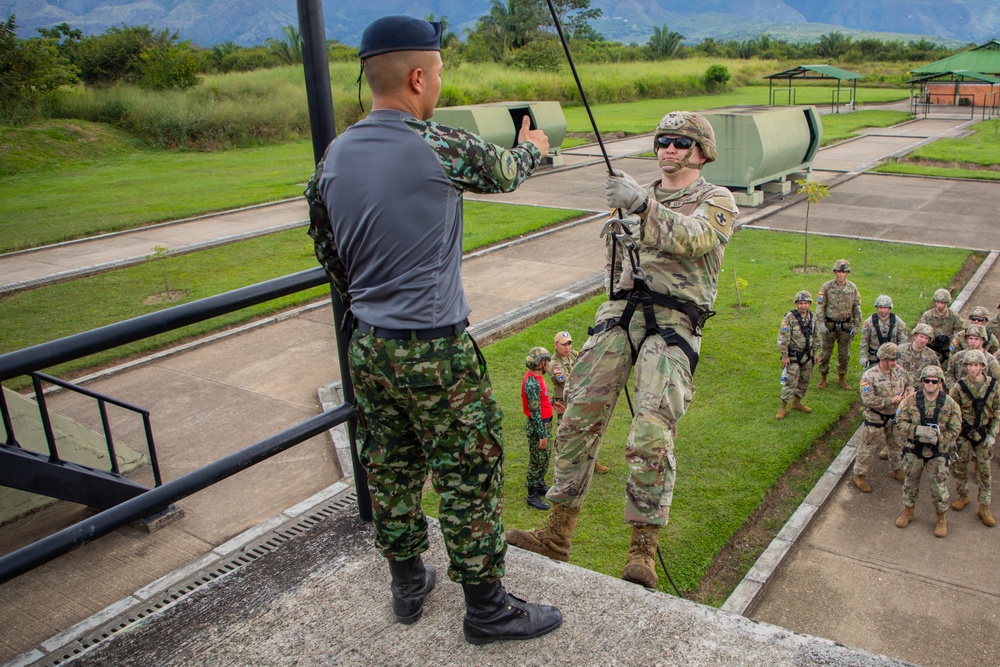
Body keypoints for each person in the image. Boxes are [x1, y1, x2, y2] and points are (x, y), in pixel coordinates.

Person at [304, 15, 560, 644]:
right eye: (439, 74)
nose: (439, 85)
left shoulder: (335, 154)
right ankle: (487, 608)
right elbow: (505, 171)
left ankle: (408, 581)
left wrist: (368, 295)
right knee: (467, 471)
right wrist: (537, 146)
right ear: (419, 77)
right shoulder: (436, 144)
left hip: (368, 345)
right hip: (435, 347)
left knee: (390, 465)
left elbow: (326, 246)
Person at [505, 111, 738, 590]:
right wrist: (631, 213)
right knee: (574, 423)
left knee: (650, 436)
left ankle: (642, 552)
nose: (669, 150)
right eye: (663, 141)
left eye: (680, 142)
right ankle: (557, 532)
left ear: (701, 152)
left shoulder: (716, 200)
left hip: (674, 322)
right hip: (620, 315)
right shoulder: (630, 200)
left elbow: (695, 239)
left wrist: (643, 207)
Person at [894, 365, 961, 537]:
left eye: (934, 381)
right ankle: (908, 510)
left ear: (940, 382)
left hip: (937, 452)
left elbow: (956, 428)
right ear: (922, 381)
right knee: (910, 482)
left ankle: (941, 518)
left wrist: (940, 438)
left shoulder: (950, 404)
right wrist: (916, 431)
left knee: (938, 487)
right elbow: (899, 422)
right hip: (914, 449)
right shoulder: (910, 400)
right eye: (927, 380)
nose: (930, 384)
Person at [947, 349, 998, 527]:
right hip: (963, 434)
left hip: (983, 434)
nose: (972, 369)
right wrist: (952, 435)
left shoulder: (994, 386)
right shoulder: (959, 387)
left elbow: (998, 412)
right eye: (969, 365)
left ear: (983, 366)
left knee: (984, 472)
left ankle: (984, 506)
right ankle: (963, 495)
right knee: (959, 468)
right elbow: (950, 411)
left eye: (976, 365)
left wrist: (992, 433)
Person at [550, 331, 608, 474]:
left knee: (587, 431)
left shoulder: (574, 355)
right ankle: (564, 465)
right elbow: (566, 379)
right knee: (566, 436)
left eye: (569, 343)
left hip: (581, 399)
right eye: (564, 344)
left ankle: (591, 462)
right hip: (565, 403)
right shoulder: (554, 364)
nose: (567, 347)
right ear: (556, 345)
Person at [855, 343, 910, 492]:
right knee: (867, 447)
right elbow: (867, 399)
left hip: (895, 417)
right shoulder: (870, 376)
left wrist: (907, 395)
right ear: (883, 358)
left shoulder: (900, 372)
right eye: (891, 360)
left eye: (896, 360)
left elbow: (909, 385)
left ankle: (896, 469)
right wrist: (888, 401)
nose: (895, 363)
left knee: (896, 445)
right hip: (876, 418)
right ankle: (860, 475)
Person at [816, 259, 862, 390]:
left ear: (847, 273)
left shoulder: (852, 288)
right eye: (838, 272)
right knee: (825, 354)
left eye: (844, 272)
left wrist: (856, 325)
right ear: (834, 272)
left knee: (844, 355)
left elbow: (856, 308)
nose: (841, 274)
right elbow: (820, 306)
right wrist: (821, 324)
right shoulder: (826, 287)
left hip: (845, 327)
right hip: (829, 326)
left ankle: (841, 378)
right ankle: (823, 377)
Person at [776, 290, 821, 420]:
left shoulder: (813, 317)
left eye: (805, 303)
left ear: (809, 304)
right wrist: (785, 356)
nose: (803, 306)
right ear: (797, 304)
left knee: (804, 380)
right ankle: (783, 407)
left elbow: (815, 336)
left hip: (807, 355)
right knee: (790, 381)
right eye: (800, 303)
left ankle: (797, 402)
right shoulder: (789, 318)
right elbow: (783, 338)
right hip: (793, 356)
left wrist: (816, 353)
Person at [522, 347, 554, 511]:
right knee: (537, 460)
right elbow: (534, 412)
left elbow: (542, 399)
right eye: (547, 361)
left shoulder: (538, 378)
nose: (549, 364)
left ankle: (540, 484)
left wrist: (553, 402)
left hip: (545, 424)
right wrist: (542, 435)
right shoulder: (532, 383)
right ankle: (532, 495)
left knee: (544, 456)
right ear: (541, 363)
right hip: (539, 427)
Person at [859, 295, 907, 370]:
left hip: (892, 357)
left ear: (889, 308)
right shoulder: (869, 321)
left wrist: (900, 356)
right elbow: (864, 340)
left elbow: (903, 340)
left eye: (885, 308)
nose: (883, 310)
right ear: (877, 308)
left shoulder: (897, 321)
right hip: (874, 357)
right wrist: (863, 356)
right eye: (880, 307)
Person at [945, 324, 1000, 389]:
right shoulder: (958, 356)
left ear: (982, 340)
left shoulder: (990, 360)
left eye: (976, 339)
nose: (973, 341)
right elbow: (949, 375)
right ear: (967, 339)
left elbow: (997, 380)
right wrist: (955, 388)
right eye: (971, 338)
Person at [919, 288, 964, 364]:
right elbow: (920, 331)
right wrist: (933, 338)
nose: (939, 305)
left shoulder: (954, 316)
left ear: (947, 303)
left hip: (947, 350)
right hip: (930, 349)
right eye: (937, 302)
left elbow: (961, 332)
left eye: (942, 303)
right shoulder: (927, 315)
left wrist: (949, 339)